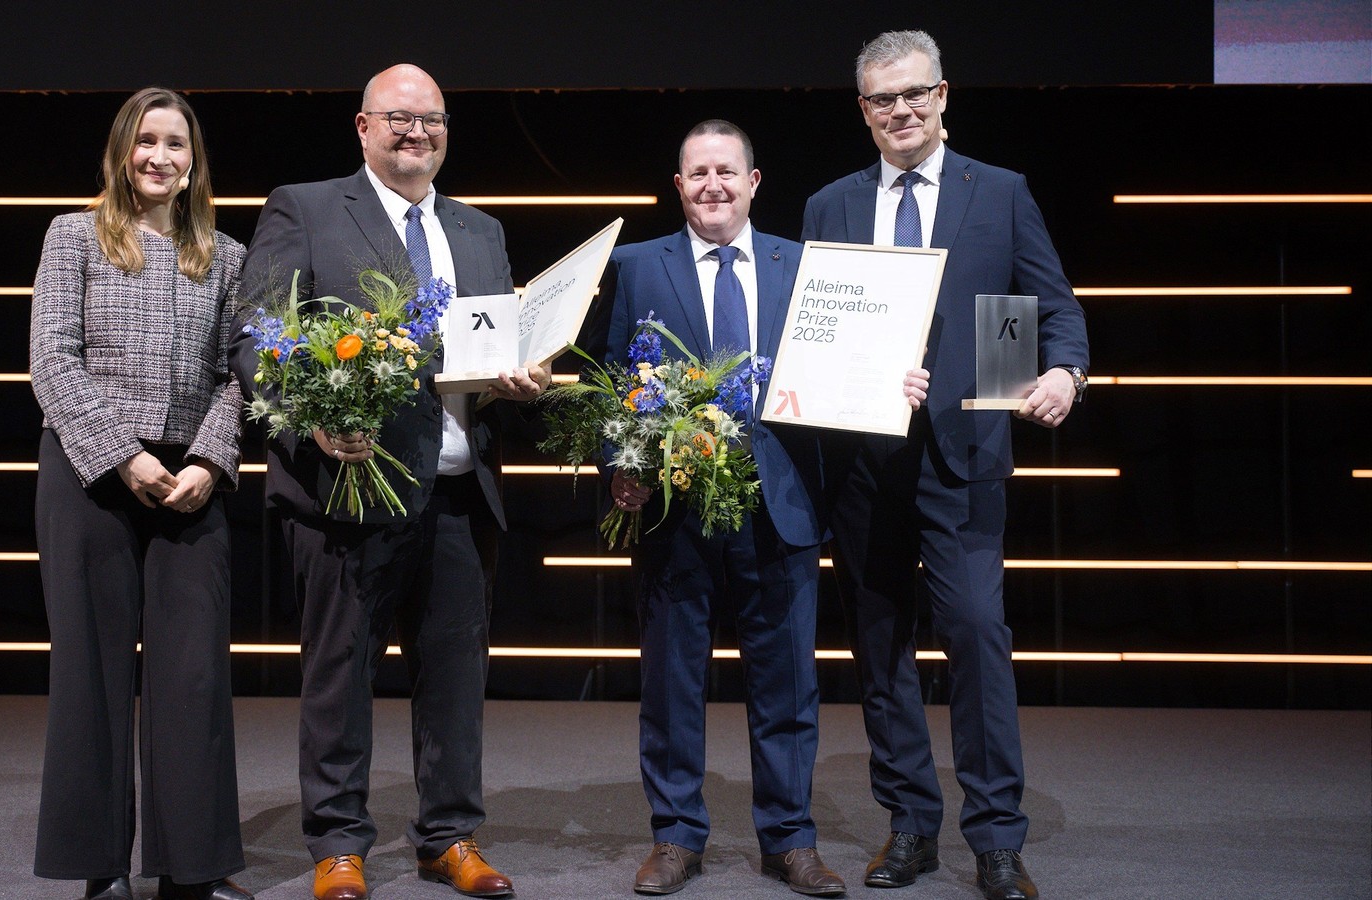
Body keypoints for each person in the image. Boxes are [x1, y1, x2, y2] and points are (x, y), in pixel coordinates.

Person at [229, 64, 545, 900]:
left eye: (432, 119)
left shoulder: (481, 231)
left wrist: (521, 380)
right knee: (339, 676)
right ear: (362, 128)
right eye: (398, 119)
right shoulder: (303, 207)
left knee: (454, 681)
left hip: (457, 491)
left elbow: (488, 356)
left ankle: (450, 837)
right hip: (346, 487)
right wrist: (309, 423)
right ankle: (338, 844)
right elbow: (258, 340)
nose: (416, 132)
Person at [604, 120, 928, 897]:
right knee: (672, 685)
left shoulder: (805, 267)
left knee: (789, 688)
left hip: (779, 509)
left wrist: (893, 383)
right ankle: (676, 837)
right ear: (678, 185)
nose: (712, 185)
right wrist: (624, 465)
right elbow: (611, 379)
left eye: (727, 171)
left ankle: (790, 839)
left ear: (754, 182)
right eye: (697, 173)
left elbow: (850, 363)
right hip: (673, 515)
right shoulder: (636, 266)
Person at [801, 30, 1091, 900]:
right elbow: (814, 330)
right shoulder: (830, 204)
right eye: (881, 99)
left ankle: (997, 838)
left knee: (974, 637)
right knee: (881, 652)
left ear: (942, 95)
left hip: (965, 458)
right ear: (863, 111)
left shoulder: (999, 192)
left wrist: (1063, 374)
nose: (900, 110)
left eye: (913, 93)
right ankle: (911, 828)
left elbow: (1055, 308)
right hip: (862, 463)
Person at [29, 88, 251, 900]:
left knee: (192, 676)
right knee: (90, 671)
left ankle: (190, 867)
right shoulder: (73, 236)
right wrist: (123, 457)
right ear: (123, 151)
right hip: (90, 474)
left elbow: (241, 374)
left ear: (195, 161)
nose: (161, 157)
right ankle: (99, 867)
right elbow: (51, 360)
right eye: (147, 141)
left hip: (191, 479)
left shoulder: (225, 255)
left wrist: (209, 459)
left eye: (177, 144)